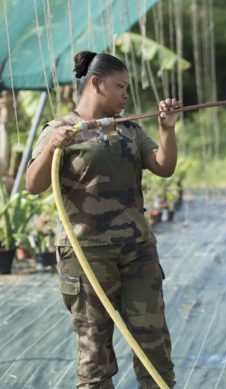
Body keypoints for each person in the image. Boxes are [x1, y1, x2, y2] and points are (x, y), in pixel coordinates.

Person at [25, 51, 179, 388]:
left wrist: (167, 130)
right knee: (94, 354)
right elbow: (33, 184)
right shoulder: (60, 129)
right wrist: (54, 146)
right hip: (86, 256)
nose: (126, 95)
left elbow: (164, 167)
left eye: (127, 88)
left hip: (137, 251)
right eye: (120, 87)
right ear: (96, 83)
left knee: (153, 344)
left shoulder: (130, 129)